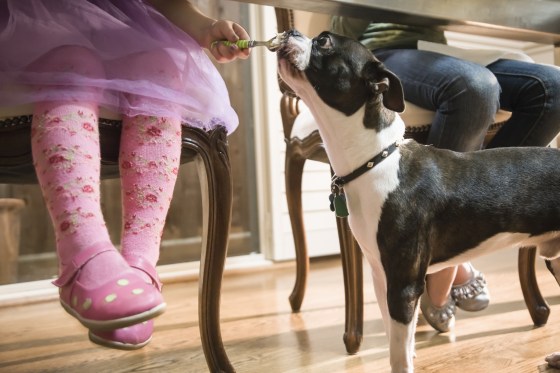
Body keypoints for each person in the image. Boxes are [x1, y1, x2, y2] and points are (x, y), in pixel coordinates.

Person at [0, 0, 250, 350]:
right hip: (24, 31)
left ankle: (139, 267)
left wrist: (203, 27)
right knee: (71, 63)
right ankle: (83, 256)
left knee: (158, 66)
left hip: (115, 28)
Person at [331, 17, 560, 333]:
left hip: (434, 48)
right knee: (474, 87)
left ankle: (456, 240)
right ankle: (449, 256)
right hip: (380, 48)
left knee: (553, 89)